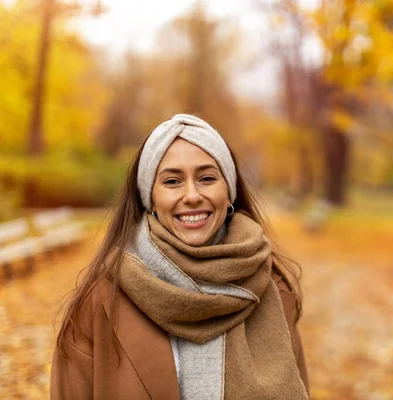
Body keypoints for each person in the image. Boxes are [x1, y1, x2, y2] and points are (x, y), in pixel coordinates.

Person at [51, 114, 310, 399]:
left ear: (229, 192)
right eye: (172, 181)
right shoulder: (101, 301)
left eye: (207, 178)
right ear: (150, 198)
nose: (192, 195)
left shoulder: (275, 290)